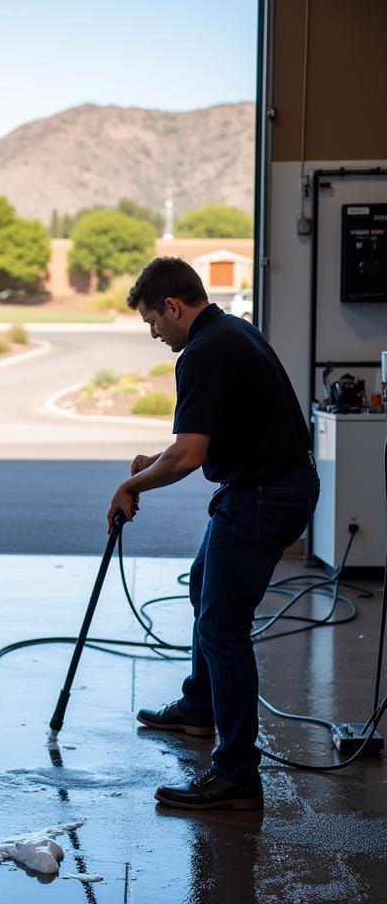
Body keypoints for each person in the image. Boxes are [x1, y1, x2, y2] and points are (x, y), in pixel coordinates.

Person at [107, 257, 318, 811]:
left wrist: (133, 488)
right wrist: (157, 459)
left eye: (153, 321)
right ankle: (200, 709)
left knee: (223, 623)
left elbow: (189, 456)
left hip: (262, 496)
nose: (155, 333)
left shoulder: (201, 352)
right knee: (206, 584)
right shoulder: (232, 331)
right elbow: (203, 440)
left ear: (173, 307)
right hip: (275, 486)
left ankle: (236, 777)